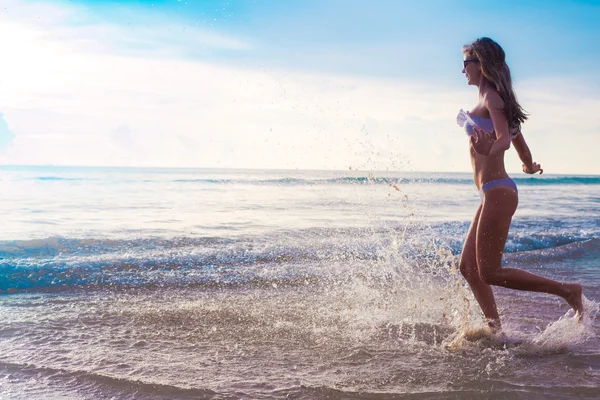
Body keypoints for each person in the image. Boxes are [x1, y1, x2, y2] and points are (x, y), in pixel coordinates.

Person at [456, 37, 582, 332]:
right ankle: (495, 330)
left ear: (481, 64)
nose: (463, 70)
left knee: (490, 271)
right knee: (469, 268)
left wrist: (491, 149)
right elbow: (519, 144)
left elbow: (502, 139)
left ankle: (568, 291)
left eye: (466, 63)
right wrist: (529, 165)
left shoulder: (492, 99)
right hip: (492, 193)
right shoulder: (493, 100)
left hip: (498, 191)